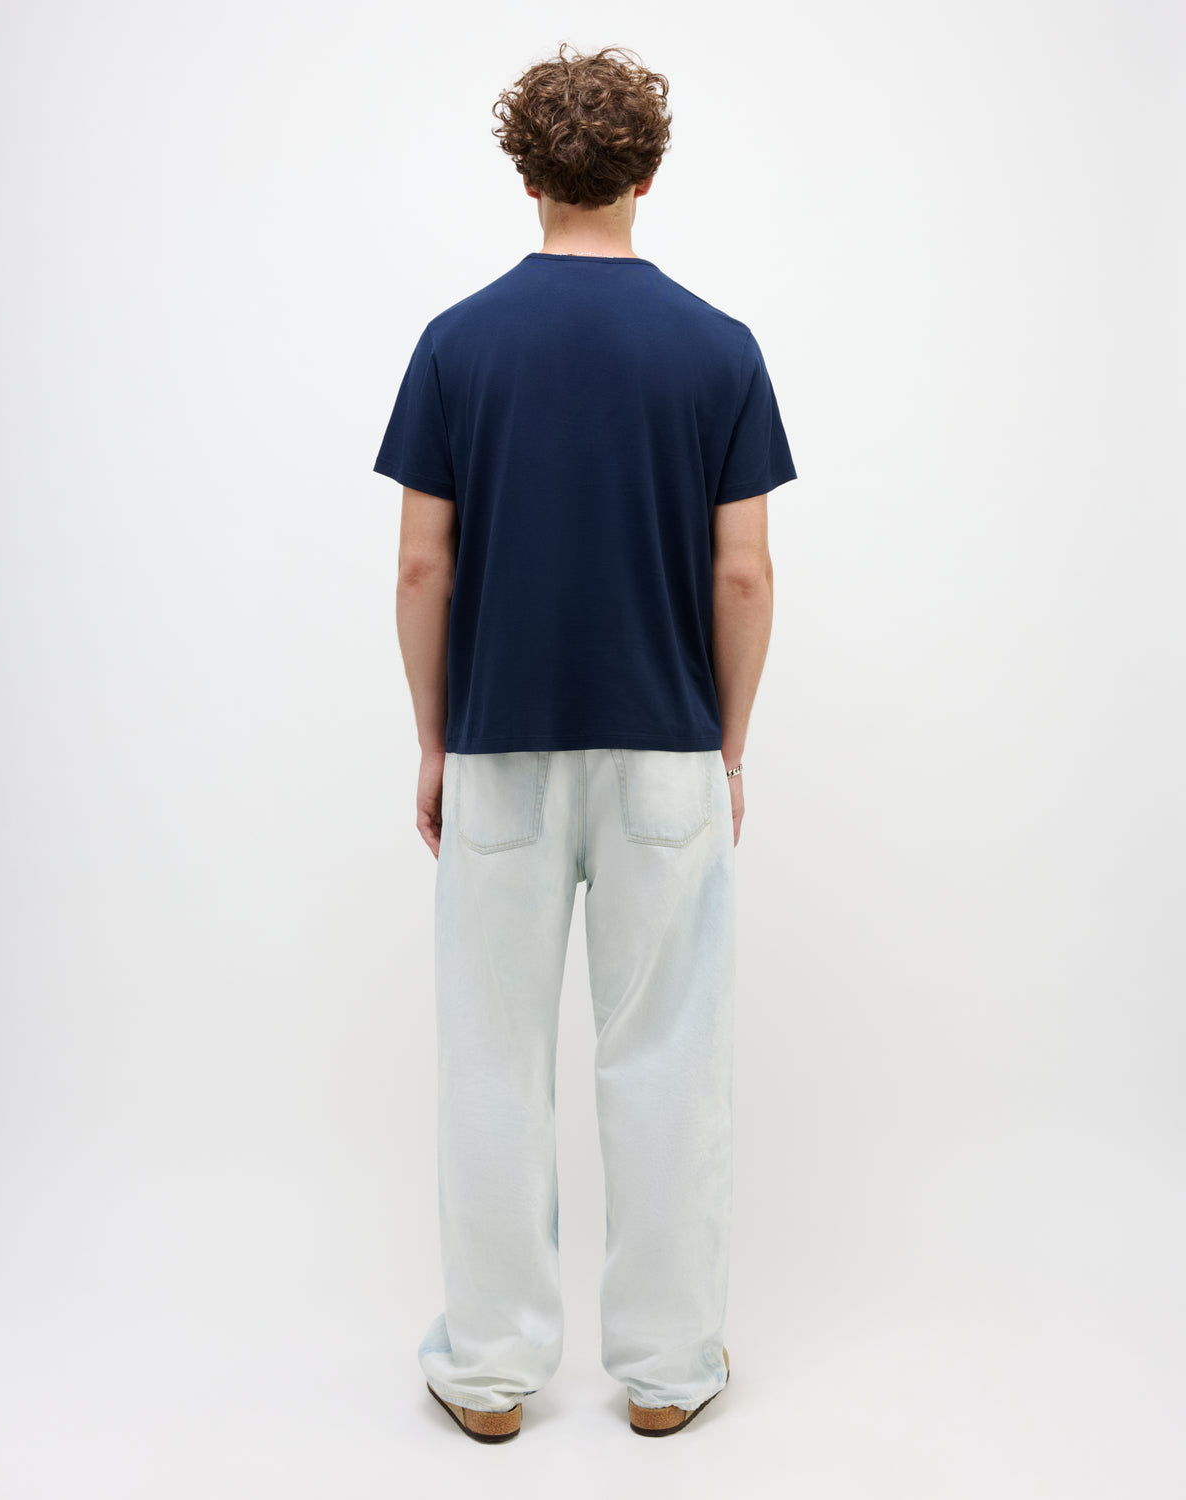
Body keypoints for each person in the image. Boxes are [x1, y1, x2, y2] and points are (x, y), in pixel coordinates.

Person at [372, 42, 797, 1443]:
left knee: (492, 1062)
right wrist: (728, 747)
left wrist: (433, 739)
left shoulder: (457, 344)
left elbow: (422, 566)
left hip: (499, 742)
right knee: (666, 1057)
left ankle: (491, 1372)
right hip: (666, 746)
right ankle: (668, 1370)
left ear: (526, 177)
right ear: (647, 176)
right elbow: (745, 575)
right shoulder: (720, 349)